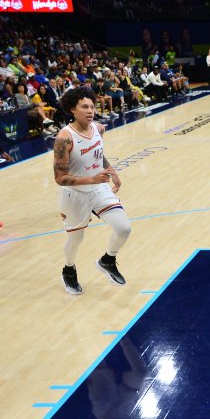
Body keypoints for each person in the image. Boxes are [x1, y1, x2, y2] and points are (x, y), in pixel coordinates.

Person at [53, 87, 131, 294]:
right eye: (84, 107)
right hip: (74, 194)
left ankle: (108, 259)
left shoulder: (98, 128)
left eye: (92, 107)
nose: (90, 111)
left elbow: (97, 154)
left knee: (124, 228)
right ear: (72, 109)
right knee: (76, 238)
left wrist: (110, 170)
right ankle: (69, 270)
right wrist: (92, 178)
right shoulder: (64, 138)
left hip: (98, 188)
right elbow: (60, 178)